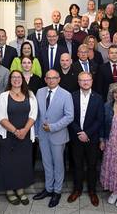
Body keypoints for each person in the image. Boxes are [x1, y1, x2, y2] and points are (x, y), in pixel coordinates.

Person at [33, 69, 74, 208]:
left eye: (54, 78)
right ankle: (48, 189)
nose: (51, 80)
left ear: (59, 79)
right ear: (45, 79)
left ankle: (57, 191)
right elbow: (37, 114)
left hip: (58, 135)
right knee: (46, 163)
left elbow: (69, 116)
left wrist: (53, 127)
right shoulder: (39, 92)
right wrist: (37, 132)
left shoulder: (66, 95)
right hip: (42, 135)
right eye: (48, 78)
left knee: (58, 165)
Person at [0, 70, 38, 205]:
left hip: (25, 136)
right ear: (10, 80)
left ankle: (20, 189)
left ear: (22, 79)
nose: (16, 80)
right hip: (8, 135)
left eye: (18, 77)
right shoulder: (3, 96)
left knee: (22, 163)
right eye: (13, 77)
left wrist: (25, 130)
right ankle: (9, 190)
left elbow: (33, 114)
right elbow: (1, 117)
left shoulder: (30, 95)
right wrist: (15, 131)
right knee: (8, 163)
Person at [68, 72, 103, 207]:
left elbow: (99, 119)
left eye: (88, 80)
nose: (85, 82)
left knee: (92, 166)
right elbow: (69, 117)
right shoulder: (72, 96)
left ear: (92, 81)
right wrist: (79, 132)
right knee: (77, 165)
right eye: (82, 80)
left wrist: (87, 133)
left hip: (91, 139)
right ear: (78, 82)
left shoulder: (98, 98)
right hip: (76, 138)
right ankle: (77, 190)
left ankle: (92, 191)